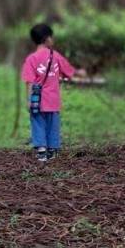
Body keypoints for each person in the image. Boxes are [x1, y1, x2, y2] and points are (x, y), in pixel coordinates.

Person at [20, 23, 77, 162]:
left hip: (36, 99)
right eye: (51, 36)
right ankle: (52, 150)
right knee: (53, 124)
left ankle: (41, 151)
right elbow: (69, 72)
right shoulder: (55, 56)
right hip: (53, 99)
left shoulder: (31, 59)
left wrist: (28, 100)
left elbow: (29, 81)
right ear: (47, 39)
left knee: (38, 123)